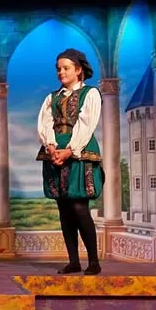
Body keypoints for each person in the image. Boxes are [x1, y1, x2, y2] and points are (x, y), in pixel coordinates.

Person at [37, 48, 104, 275]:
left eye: (65, 68)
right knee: (64, 208)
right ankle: (73, 260)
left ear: (78, 70)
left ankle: (93, 261)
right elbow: (45, 123)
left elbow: (87, 124)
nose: (61, 72)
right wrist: (51, 146)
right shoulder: (52, 97)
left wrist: (70, 150)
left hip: (79, 152)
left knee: (79, 206)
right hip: (55, 153)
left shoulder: (90, 93)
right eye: (58, 69)